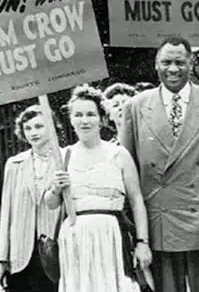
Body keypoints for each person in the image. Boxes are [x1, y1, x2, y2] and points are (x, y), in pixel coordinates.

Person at [120, 36, 199, 292]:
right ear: (156, 64)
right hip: (159, 220)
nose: (173, 69)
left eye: (179, 62)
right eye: (166, 62)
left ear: (191, 62)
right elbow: (126, 165)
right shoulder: (135, 107)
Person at [45, 84, 152, 292]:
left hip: (111, 235)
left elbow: (137, 201)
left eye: (90, 114)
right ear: (71, 119)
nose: (84, 120)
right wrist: (56, 189)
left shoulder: (118, 155)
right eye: (78, 115)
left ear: (101, 119)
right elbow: (50, 204)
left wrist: (142, 242)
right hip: (75, 239)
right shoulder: (63, 155)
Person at [0, 105, 59, 292]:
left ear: (52, 126)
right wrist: (2, 258)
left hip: (55, 250)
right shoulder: (15, 164)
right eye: (28, 128)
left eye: (39, 126)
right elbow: (6, 213)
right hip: (21, 252)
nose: (33, 132)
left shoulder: (66, 158)